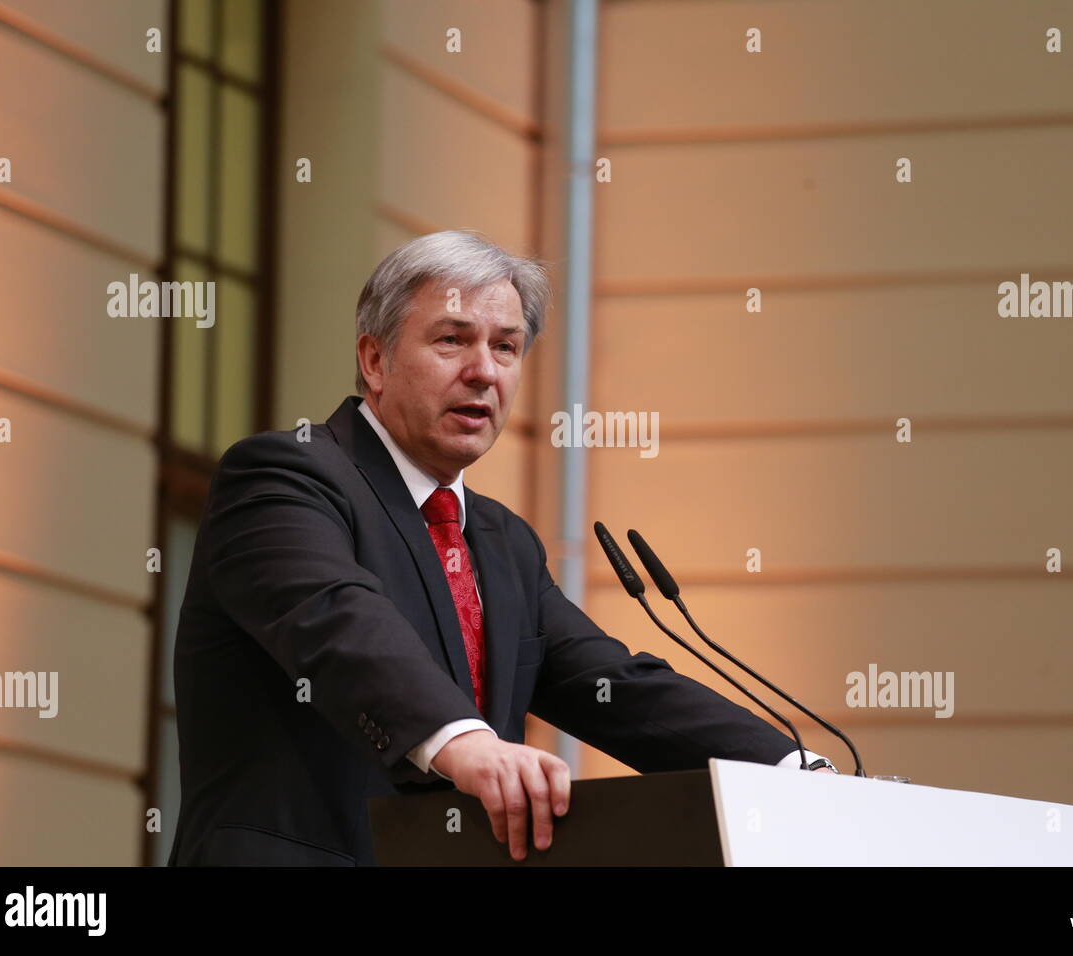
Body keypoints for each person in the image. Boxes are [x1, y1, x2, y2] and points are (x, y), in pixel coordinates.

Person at [168, 229, 835, 866]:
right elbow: (338, 621)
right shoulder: (287, 475)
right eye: (452, 341)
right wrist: (466, 743)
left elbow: (608, 683)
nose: (484, 372)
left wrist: (789, 771)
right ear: (374, 360)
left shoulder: (501, 542)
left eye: (506, 347)